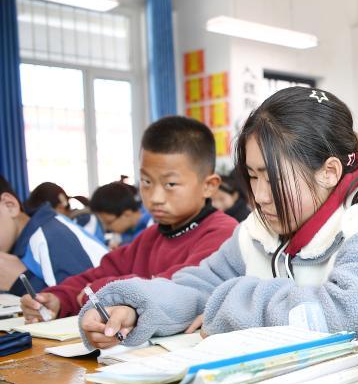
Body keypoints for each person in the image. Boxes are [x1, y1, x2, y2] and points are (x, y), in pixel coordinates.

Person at [79, 87, 358, 350]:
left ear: (329, 171)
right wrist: (136, 305)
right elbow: (203, 285)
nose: (261, 196)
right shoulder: (261, 227)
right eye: (252, 176)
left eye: (274, 179)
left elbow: (355, 313)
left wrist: (233, 304)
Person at [21, 116, 238, 321]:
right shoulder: (150, 236)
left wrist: (100, 290)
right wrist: (58, 299)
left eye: (170, 184)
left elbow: (174, 289)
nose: (155, 198)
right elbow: (100, 273)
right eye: (146, 182)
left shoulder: (223, 234)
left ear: (209, 186)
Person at [0, 175, 106, 295]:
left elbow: (89, 297)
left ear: (9, 206)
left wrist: (21, 282)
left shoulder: (52, 238)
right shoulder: (21, 244)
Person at [89, 181, 152, 249]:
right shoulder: (127, 230)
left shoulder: (151, 227)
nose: (107, 228)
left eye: (109, 222)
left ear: (127, 214)